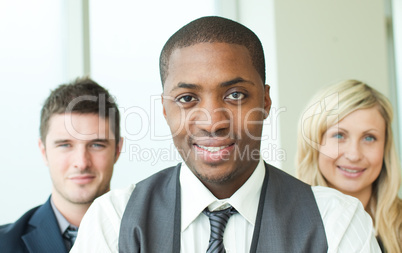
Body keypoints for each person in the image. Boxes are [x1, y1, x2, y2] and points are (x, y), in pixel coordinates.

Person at [72, 16, 380, 252]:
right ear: (165, 111)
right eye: (187, 99)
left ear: (266, 101)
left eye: (235, 95)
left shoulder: (336, 220)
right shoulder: (113, 219)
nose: (213, 122)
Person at [0, 77, 123, 253]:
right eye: (65, 145)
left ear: (117, 149)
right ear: (44, 151)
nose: (81, 163)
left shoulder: (158, 237)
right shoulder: (4, 245)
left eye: (97, 145)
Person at [296, 79, 402, 252]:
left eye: (369, 138)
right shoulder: (282, 222)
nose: (354, 155)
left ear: (385, 147)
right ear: (314, 143)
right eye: (339, 136)